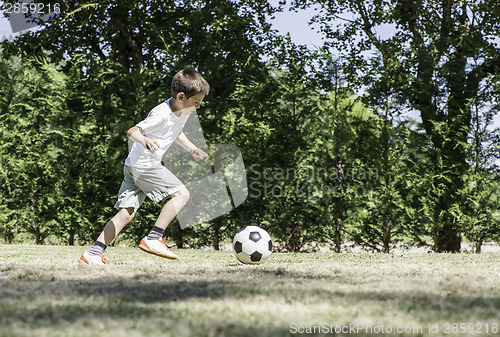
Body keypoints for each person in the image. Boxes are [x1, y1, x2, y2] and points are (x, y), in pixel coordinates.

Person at [79, 69, 210, 265]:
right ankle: (154, 238)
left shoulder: (183, 111)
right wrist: (145, 140)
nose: (198, 106)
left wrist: (192, 149)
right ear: (181, 96)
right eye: (196, 102)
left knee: (127, 213)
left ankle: (93, 253)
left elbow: (177, 132)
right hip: (144, 165)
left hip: (134, 165)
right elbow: (132, 131)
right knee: (182, 194)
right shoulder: (161, 113)